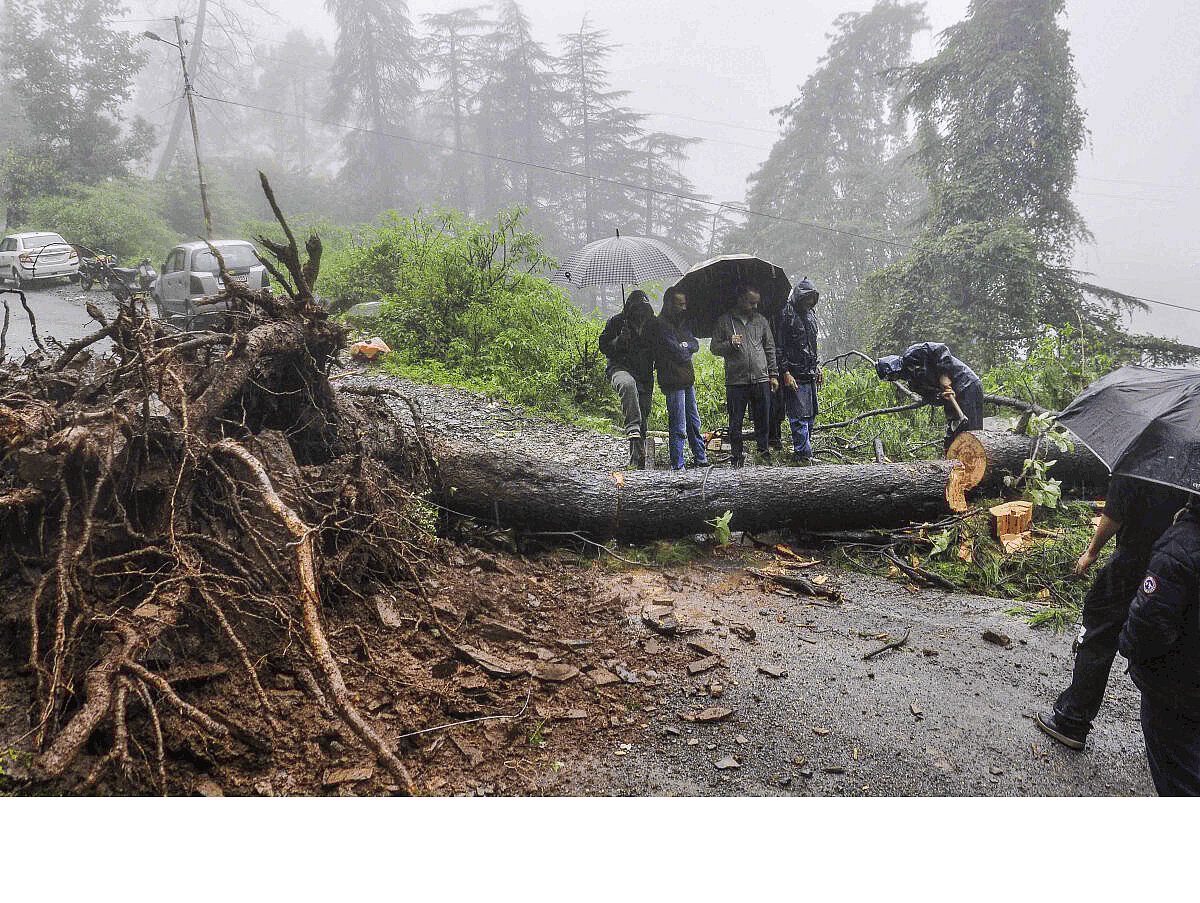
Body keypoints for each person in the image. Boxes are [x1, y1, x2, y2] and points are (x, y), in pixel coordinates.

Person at [1035, 474, 1189, 751]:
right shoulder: (1190, 463)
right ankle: (1172, 738)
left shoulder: (1139, 460)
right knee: (1168, 639)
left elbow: (1114, 514)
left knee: (1098, 631)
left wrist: (1091, 551)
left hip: (1133, 559)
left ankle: (1072, 720)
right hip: (1178, 564)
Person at [1118, 495, 1200, 795]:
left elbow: (1149, 625)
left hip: (1175, 688)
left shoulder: (1180, 546)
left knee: (1179, 779)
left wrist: (1127, 644)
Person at [710, 286, 779, 467]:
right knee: (736, 421)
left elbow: (770, 348)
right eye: (751, 302)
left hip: (761, 378)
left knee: (763, 418)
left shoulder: (761, 321)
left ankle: (763, 453)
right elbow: (714, 348)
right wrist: (729, 343)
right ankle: (736, 456)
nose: (754, 306)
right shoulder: (725, 321)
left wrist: (773, 374)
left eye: (756, 303)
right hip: (736, 380)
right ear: (740, 299)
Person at [874, 342, 983, 450]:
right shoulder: (915, 385)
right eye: (892, 378)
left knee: (971, 430)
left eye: (894, 374)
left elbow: (941, 349)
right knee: (953, 436)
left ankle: (977, 460)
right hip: (952, 398)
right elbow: (932, 398)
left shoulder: (914, 353)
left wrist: (944, 375)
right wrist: (941, 396)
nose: (896, 377)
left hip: (967, 384)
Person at [653, 286, 710, 470]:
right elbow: (678, 353)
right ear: (669, 304)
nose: (683, 308)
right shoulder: (660, 325)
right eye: (680, 304)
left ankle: (700, 458)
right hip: (672, 380)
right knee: (678, 425)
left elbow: (694, 345)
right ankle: (678, 466)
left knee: (694, 422)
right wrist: (685, 348)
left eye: (684, 304)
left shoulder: (683, 323)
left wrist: (684, 345)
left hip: (686, 379)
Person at [598, 290, 656, 468]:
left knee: (643, 416)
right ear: (630, 308)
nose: (640, 313)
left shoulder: (652, 326)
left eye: (643, 309)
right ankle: (631, 427)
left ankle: (637, 461)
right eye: (637, 308)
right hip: (619, 369)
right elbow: (603, 346)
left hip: (645, 375)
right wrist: (619, 340)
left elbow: (659, 349)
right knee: (627, 385)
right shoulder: (617, 322)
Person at [770, 277, 823, 464]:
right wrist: (785, 372)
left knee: (811, 415)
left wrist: (817, 366)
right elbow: (779, 346)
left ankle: (805, 452)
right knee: (798, 417)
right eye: (807, 299)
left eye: (812, 300)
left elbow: (812, 344)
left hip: (809, 372)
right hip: (793, 374)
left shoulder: (810, 314)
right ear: (800, 297)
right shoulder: (786, 313)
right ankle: (802, 455)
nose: (809, 303)